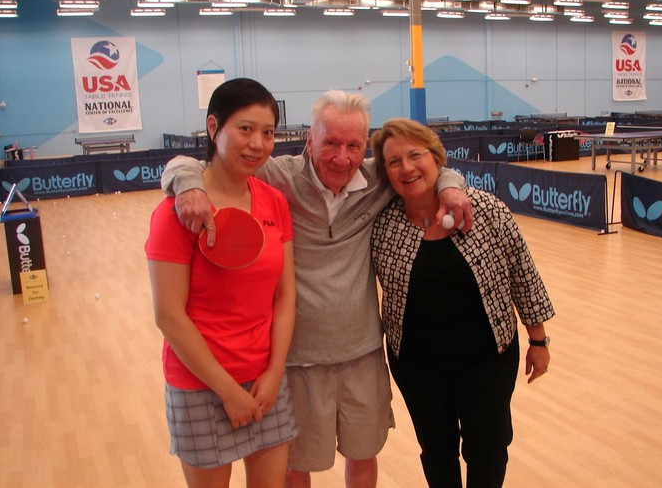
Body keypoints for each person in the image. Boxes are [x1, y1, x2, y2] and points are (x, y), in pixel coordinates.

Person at [160, 90, 474, 488]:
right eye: (330, 143)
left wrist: (450, 184)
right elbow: (197, 163)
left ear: (364, 148)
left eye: (353, 146)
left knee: (363, 456)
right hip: (297, 360)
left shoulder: (380, 179)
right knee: (295, 466)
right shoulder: (277, 177)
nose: (342, 157)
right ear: (309, 139)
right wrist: (187, 183)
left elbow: (426, 165)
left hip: (362, 353)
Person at [369, 118, 555, 488]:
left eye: (415, 155)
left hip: (488, 356)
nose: (406, 167)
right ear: (384, 172)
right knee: (436, 450)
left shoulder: (487, 210)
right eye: (393, 162)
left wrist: (538, 341)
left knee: (488, 448)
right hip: (417, 364)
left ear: (437, 158)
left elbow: (523, 275)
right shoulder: (381, 224)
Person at [145, 78, 298, 488]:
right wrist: (227, 390)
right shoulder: (175, 215)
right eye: (245, 129)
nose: (258, 144)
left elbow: (285, 296)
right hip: (201, 385)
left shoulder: (274, 202)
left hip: (266, 380)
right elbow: (168, 315)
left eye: (268, 133)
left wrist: (274, 372)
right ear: (214, 128)